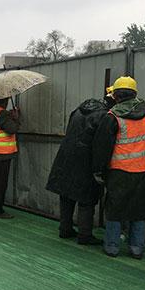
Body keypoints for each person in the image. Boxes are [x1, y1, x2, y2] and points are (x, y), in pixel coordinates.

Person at [92, 76, 145, 260]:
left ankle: (112, 247)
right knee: (139, 209)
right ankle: (137, 248)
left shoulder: (112, 117)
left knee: (114, 209)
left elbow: (102, 147)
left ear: (116, 96)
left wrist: (98, 170)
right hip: (144, 168)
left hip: (120, 170)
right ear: (135, 93)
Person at [46, 99, 108, 245]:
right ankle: (85, 235)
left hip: (66, 158)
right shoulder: (104, 116)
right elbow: (101, 144)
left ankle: (65, 228)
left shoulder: (77, 111)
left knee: (66, 195)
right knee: (87, 199)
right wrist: (100, 168)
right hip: (86, 161)